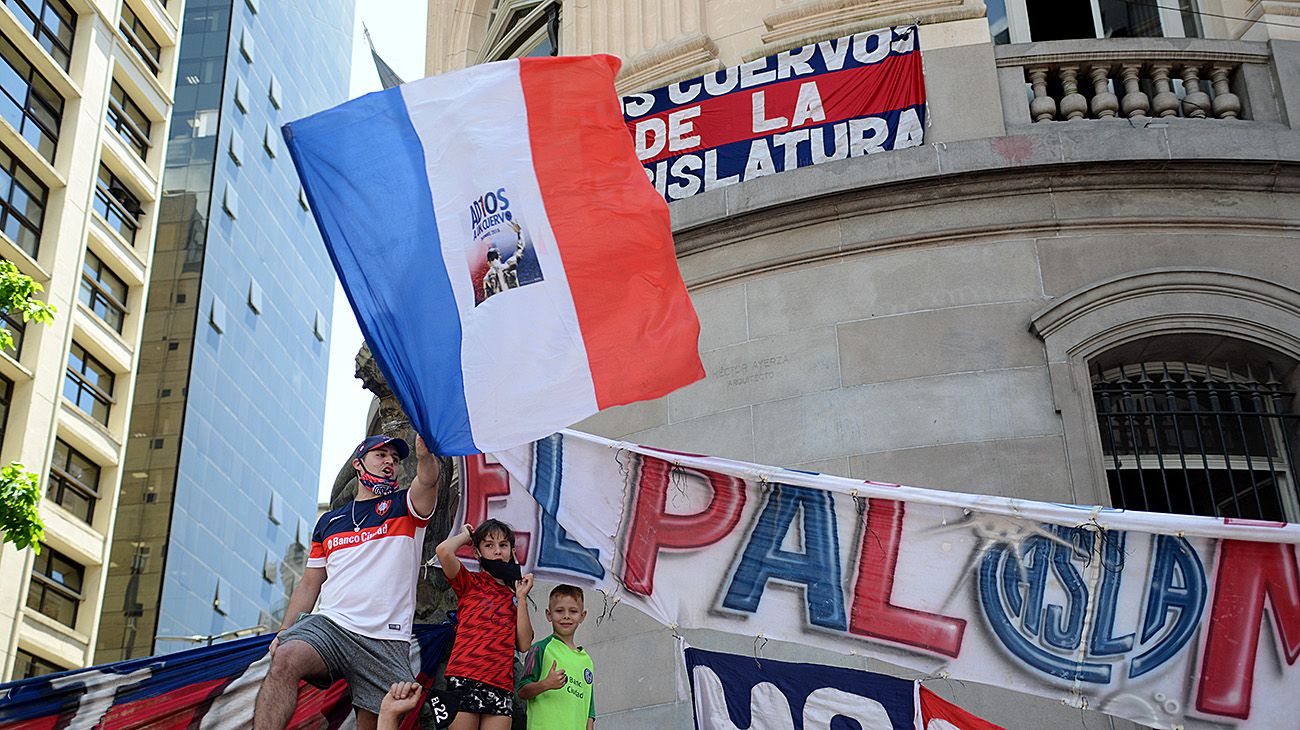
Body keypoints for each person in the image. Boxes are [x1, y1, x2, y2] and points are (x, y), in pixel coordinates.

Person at [253, 434, 441, 730]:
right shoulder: (328, 522)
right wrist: (285, 630)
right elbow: (309, 584)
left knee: (378, 723)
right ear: (358, 464)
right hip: (332, 625)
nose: (389, 461)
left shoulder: (405, 505)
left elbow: (428, 482)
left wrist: (425, 457)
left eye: (394, 457)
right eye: (380, 455)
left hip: (385, 639)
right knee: (285, 657)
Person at [435, 520, 535, 729]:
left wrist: (522, 598)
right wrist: (466, 536)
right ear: (477, 552)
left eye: (503, 545)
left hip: (500, 684)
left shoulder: (515, 596)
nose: (497, 551)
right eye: (489, 545)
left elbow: (524, 644)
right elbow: (443, 551)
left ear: (512, 550)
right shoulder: (469, 583)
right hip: (464, 677)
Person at [517, 585, 596, 730]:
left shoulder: (587, 661)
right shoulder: (540, 648)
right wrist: (546, 684)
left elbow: (589, 711)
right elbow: (522, 691)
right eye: (559, 611)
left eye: (573, 611)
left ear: (582, 616)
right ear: (548, 614)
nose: (566, 616)